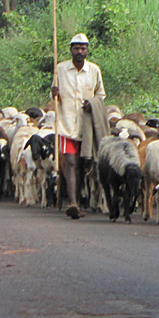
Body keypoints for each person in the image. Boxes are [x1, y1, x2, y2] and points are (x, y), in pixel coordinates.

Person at [50, 33, 105, 219]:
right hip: (66, 123)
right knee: (70, 162)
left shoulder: (94, 70)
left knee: (83, 163)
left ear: (87, 50)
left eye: (83, 48)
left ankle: (79, 201)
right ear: (71, 50)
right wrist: (54, 93)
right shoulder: (60, 69)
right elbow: (54, 96)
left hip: (87, 124)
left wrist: (93, 103)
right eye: (76, 48)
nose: (80, 51)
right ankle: (72, 202)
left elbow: (101, 95)